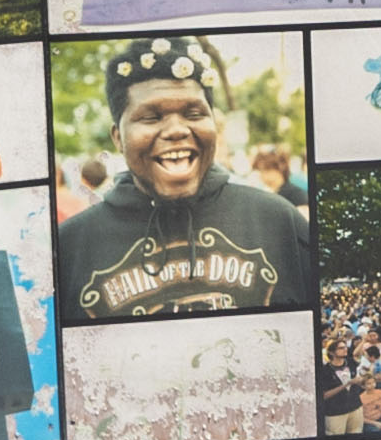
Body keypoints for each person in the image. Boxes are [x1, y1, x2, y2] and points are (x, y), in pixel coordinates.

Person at [60, 36, 314, 318]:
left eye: (194, 113)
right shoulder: (71, 246)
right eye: (151, 117)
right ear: (118, 138)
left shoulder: (278, 222)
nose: (177, 130)